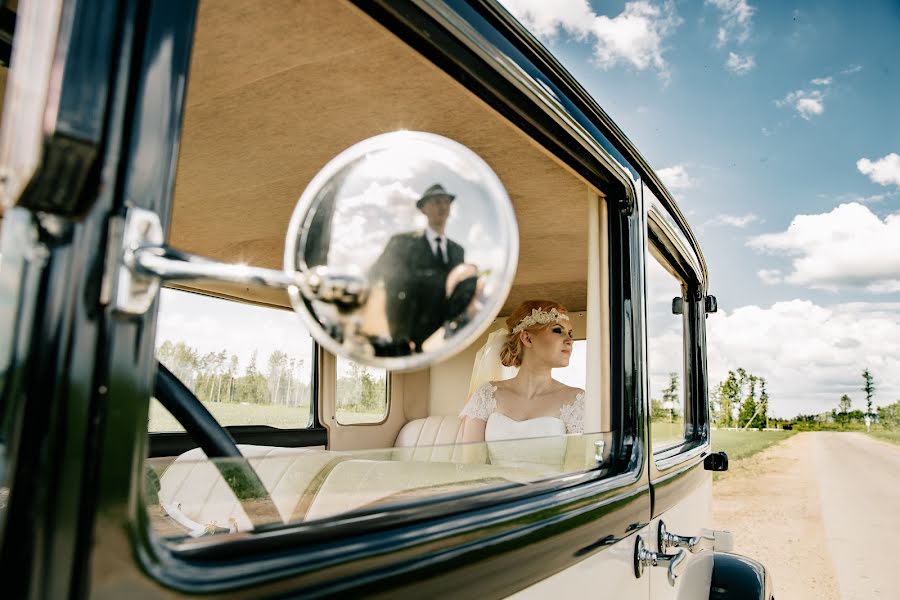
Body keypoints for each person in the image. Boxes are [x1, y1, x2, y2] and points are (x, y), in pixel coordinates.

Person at [458, 300, 585, 451]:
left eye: (570, 333)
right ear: (527, 338)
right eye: (558, 330)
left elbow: (577, 470)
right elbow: (471, 466)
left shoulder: (576, 400)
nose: (570, 340)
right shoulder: (486, 395)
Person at [369, 184, 464, 354]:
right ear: (423, 209)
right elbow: (375, 275)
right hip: (403, 335)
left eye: (445, 202)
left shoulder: (457, 251)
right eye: (435, 202)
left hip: (441, 339)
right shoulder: (402, 243)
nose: (441, 206)